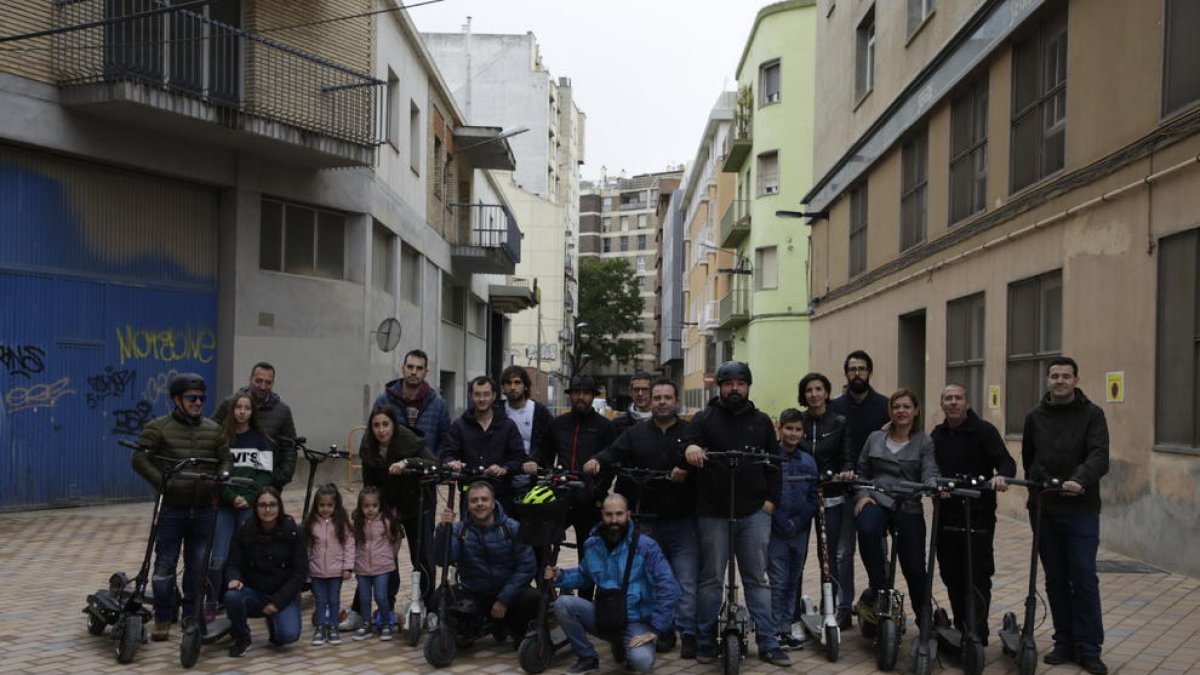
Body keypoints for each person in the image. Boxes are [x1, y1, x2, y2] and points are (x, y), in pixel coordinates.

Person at [681, 361, 788, 667]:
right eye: (729, 384)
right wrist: (690, 448)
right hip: (713, 513)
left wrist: (771, 503)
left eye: (740, 384)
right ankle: (705, 641)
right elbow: (684, 444)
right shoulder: (704, 419)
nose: (734, 389)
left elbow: (775, 463)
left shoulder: (762, 421)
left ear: (748, 387)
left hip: (754, 512)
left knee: (757, 579)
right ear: (720, 387)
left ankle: (768, 642)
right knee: (711, 579)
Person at [585, 378, 699, 658]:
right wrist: (598, 460)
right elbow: (614, 452)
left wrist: (686, 467)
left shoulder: (690, 432)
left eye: (667, 397)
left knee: (684, 580)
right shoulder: (636, 433)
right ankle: (660, 631)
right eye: (657, 397)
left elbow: (702, 457)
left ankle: (689, 632)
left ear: (676, 401)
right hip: (647, 519)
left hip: (683, 519)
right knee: (647, 579)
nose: (662, 402)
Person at [1021, 357, 1109, 675]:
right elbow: (1029, 457)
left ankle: (1089, 649)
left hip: (1081, 510)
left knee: (1083, 577)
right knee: (1056, 578)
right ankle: (1064, 642)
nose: (1060, 381)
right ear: (1047, 380)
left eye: (1066, 376)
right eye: (1054, 376)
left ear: (1076, 380)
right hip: (1046, 509)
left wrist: (1080, 479)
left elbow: (1100, 455)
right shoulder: (1035, 417)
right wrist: (1043, 485)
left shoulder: (1093, 415)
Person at [132, 372, 232, 642]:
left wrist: (221, 477)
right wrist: (163, 482)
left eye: (201, 398)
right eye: (192, 398)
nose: (198, 402)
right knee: (164, 565)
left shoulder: (213, 429)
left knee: (197, 565)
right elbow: (140, 459)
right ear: (177, 399)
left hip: (203, 510)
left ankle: (190, 613)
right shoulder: (158, 427)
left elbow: (225, 459)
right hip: (172, 510)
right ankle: (164, 616)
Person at [545, 494, 680, 674]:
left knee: (642, 662)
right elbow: (585, 576)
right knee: (563, 604)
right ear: (602, 515)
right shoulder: (593, 544)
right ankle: (587, 657)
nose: (614, 520)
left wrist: (655, 630)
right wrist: (560, 575)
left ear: (628, 515)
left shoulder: (646, 546)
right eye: (609, 515)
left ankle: (624, 645)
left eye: (619, 514)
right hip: (605, 616)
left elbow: (669, 588)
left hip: (636, 621)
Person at [930, 384, 1015, 645]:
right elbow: (927, 465)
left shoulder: (984, 431)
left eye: (958, 398)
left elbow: (1006, 461)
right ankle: (962, 624)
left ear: (966, 402)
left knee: (977, 573)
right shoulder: (938, 434)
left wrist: (1001, 476)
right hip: (947, 516)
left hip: (978, 515)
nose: (953, 402)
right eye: (948, 398)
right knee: (951, 572)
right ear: (942, 404)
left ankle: (978, 630)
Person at [852, 387, 938, 623]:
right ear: (890, 410)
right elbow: (862, 471)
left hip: (908, 504)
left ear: (916, 410)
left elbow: (930, 472)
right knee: (867, 528)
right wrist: (862, 494)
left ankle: (924, 618)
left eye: (906, 407)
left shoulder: (924, 442)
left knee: (915, 569)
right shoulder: (875, 437)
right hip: (876, 499)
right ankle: (878, 587)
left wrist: (932, 486)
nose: (901, 411)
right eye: (896, 406)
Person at [348, 405, 437, 632]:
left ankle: (428, 605)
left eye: (385, 424)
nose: (381, 430)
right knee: (380, 554)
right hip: (388, 507)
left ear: (393, 425)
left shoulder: (409, 441)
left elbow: (433, 465)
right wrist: (369, 509)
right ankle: (379, 607)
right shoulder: (368, 446)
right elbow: (369, 484)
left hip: (418, 503)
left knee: (422, 556)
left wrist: (407, 463)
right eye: (376, 425)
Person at [532, 374, 617, 600]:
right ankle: (546, 595)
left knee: (589, 553)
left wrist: (596, 490)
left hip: (589, 501)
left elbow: (610, 464)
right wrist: (549, 480)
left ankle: (584, 602)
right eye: (576, 393)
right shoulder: (558, 424)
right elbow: (545, 455)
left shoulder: (604, 427)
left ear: (592, 396)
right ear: (570, 396)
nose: (581, 397)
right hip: (560, 498)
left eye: (586, 393)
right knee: (541, 542)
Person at [433, 481, 540, 644]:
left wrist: (504, 600)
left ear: (493, 503)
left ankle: (514, 628)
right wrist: (443, 530)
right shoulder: (460, 530)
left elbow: (527, 568)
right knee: (439, 598)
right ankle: (469, 629)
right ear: (467, 505)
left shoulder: (512, 528)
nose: (479, 504)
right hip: (476, 592)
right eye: (474, 500)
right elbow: (443, 559)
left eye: (484, 499)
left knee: (532, 598)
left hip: (508, 594)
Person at [827, 350, 889, 627]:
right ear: (846, 374)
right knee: (843, 553)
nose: (857, 374)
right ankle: (843, 605)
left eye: (862, 369)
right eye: (852, 369)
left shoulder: (885, 407)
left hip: (875, 492)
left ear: (870, 372)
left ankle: (880, 600)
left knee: (878, 547)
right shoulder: (835, 407)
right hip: (843, 489)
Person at [794, 372, 853, 624]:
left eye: (819, 389)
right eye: (809, 390)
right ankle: (791, 611)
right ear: (803, 394)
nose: (814, 394)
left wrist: (847, 470)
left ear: (827, 393)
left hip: (830, 496)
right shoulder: (798, 422)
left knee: (829, 556)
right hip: (800, 496)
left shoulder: (839, 422)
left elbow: (847, 455)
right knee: (796, 554)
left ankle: (832, 607)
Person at [209, 391, 274, 617]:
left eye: (247, 408)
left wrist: (249, 498)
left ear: (252, 412)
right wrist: (230, 496)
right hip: (226, 506)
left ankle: (239, 600)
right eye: (238, 407)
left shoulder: (261, 440)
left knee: (246, 553)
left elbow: (265, 476)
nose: (242, 412)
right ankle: (212, 601)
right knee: (218, 556)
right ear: (232, 410)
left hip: (248, 506)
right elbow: (216, 474)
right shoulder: (222, 439)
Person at [225, 487, 307, 657]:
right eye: (262, 505)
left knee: (288, 636)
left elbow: (300, 574)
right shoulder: (245, 530)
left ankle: (276, 621)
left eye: (272, 505)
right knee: (232, 596)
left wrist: (278, 602)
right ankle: (243, 638)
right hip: (255, 592)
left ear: (280, 506)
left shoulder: (294, 532)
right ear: (255, 508)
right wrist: (234, 578)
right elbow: (233, 563)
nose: (268, 510)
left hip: (283, 594)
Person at [769, 408, 819, 651]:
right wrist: (780, 520)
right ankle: (775, 629)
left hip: (799, 530)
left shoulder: (808, 462)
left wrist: (798, 523)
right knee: (777, 579)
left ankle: (788, 626)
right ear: (780, 429)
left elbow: (813, 496)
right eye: (788, 428)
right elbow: (766, 492)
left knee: (793, 579)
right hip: (776, 529)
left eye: (798, 429)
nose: (793, 433)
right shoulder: (771, 458)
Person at [440, 376, 526, 508]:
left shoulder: (507, 425)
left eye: (486, 394)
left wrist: (504, 468)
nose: (482, 399)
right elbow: (447, 453)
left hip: (501, 495)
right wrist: (452, 462)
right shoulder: (460, 425)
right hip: (470, 495)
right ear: (471, 396)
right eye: (477, 395)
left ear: (494, 396)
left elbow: (519, 457)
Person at [213, 362, 298, 490]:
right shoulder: (229, 404)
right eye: (259, 381)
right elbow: (212, 437)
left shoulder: (282, 411)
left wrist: (277, 478)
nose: (263, 386)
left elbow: (290, 448)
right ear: (250, 379)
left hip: (267, 488)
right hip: (230, 484)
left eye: (268, 382)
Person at [371, 349, 452, 455]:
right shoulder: (384, 401)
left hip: (426, 469)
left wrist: (434, 463)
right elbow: (372, 436)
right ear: (403, 369)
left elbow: (445, 442)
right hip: (391, 469)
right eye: (410, 367)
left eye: (419, 368)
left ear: (425, 372)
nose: (414, 372)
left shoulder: (438, 405)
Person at [305, 483, 355, 646]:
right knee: (320, 600)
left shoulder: (342, 525)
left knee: (334, 600)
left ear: (336, 506)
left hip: (336, 572)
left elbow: (349, 546)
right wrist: (306, 567)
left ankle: (333, 627)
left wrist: (347, 567)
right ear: (316, 505)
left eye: (329, 505)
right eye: (321, 505)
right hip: (316, 571)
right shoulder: (311, 524)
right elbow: (307, 547)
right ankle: (320, 627)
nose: (325, 509)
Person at [351, 486, 403, 641]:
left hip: (383, 567)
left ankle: (386, 623)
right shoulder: (357, 523)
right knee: (364, 597)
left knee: (381, 596)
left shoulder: (387, 522)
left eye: (374, 505)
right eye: (366, 506)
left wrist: (391, 555)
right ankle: (366, 624)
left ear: (380, 506)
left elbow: (397, 538)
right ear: (360, 507)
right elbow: (352, 543)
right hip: (362, 568)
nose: (370, 509)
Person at [498, 364, 554, 461]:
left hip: (532, 471)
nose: (512, 387)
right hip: (502, 471)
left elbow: (549, 445)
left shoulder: (540, 412)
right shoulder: (497, 411)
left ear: (525, 386)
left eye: (517, 382)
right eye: (508, 383)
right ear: (503, 387)